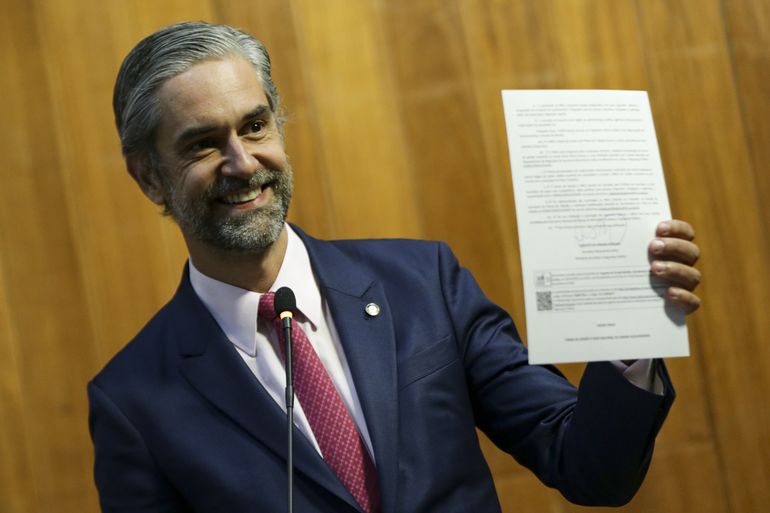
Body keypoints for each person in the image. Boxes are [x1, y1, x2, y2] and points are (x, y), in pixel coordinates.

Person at [88, 21, 702, 513]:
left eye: (255, 126)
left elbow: (590, 468)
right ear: (149, 177)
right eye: (203, 143)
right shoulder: (132, 402)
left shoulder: (424, 282)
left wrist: (630, 324)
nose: (243, 163)